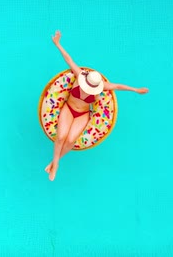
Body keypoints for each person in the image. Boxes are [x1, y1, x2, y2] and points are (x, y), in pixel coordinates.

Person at [45, 30, 149, 181]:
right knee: (60, 137)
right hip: (69, 108)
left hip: (83, 114)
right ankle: (56, 165)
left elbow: (118, 86)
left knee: (71, 140)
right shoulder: (79, 75)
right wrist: (58, 44)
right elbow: (69, 59)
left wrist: (135, 90)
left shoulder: (102, 86)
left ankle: (55, 163)